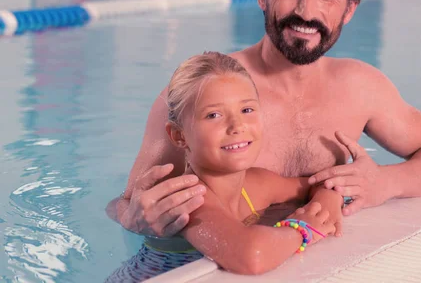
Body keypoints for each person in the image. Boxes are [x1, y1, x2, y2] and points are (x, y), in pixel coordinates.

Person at [108, 0, 421, 239]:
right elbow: (125, 203)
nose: (307, 12)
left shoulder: (361, 87)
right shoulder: (203, 92)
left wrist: (386, 183)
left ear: (349, 9)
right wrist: (135, 217)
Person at [107, 52, 342, 279]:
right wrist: (302, 229)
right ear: (179, 136)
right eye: (213, 115)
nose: (237, 125)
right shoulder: (187, 201)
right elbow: (251, 256)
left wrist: (328, 199)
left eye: (246, 110)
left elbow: (317, 183)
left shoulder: (257, 183)